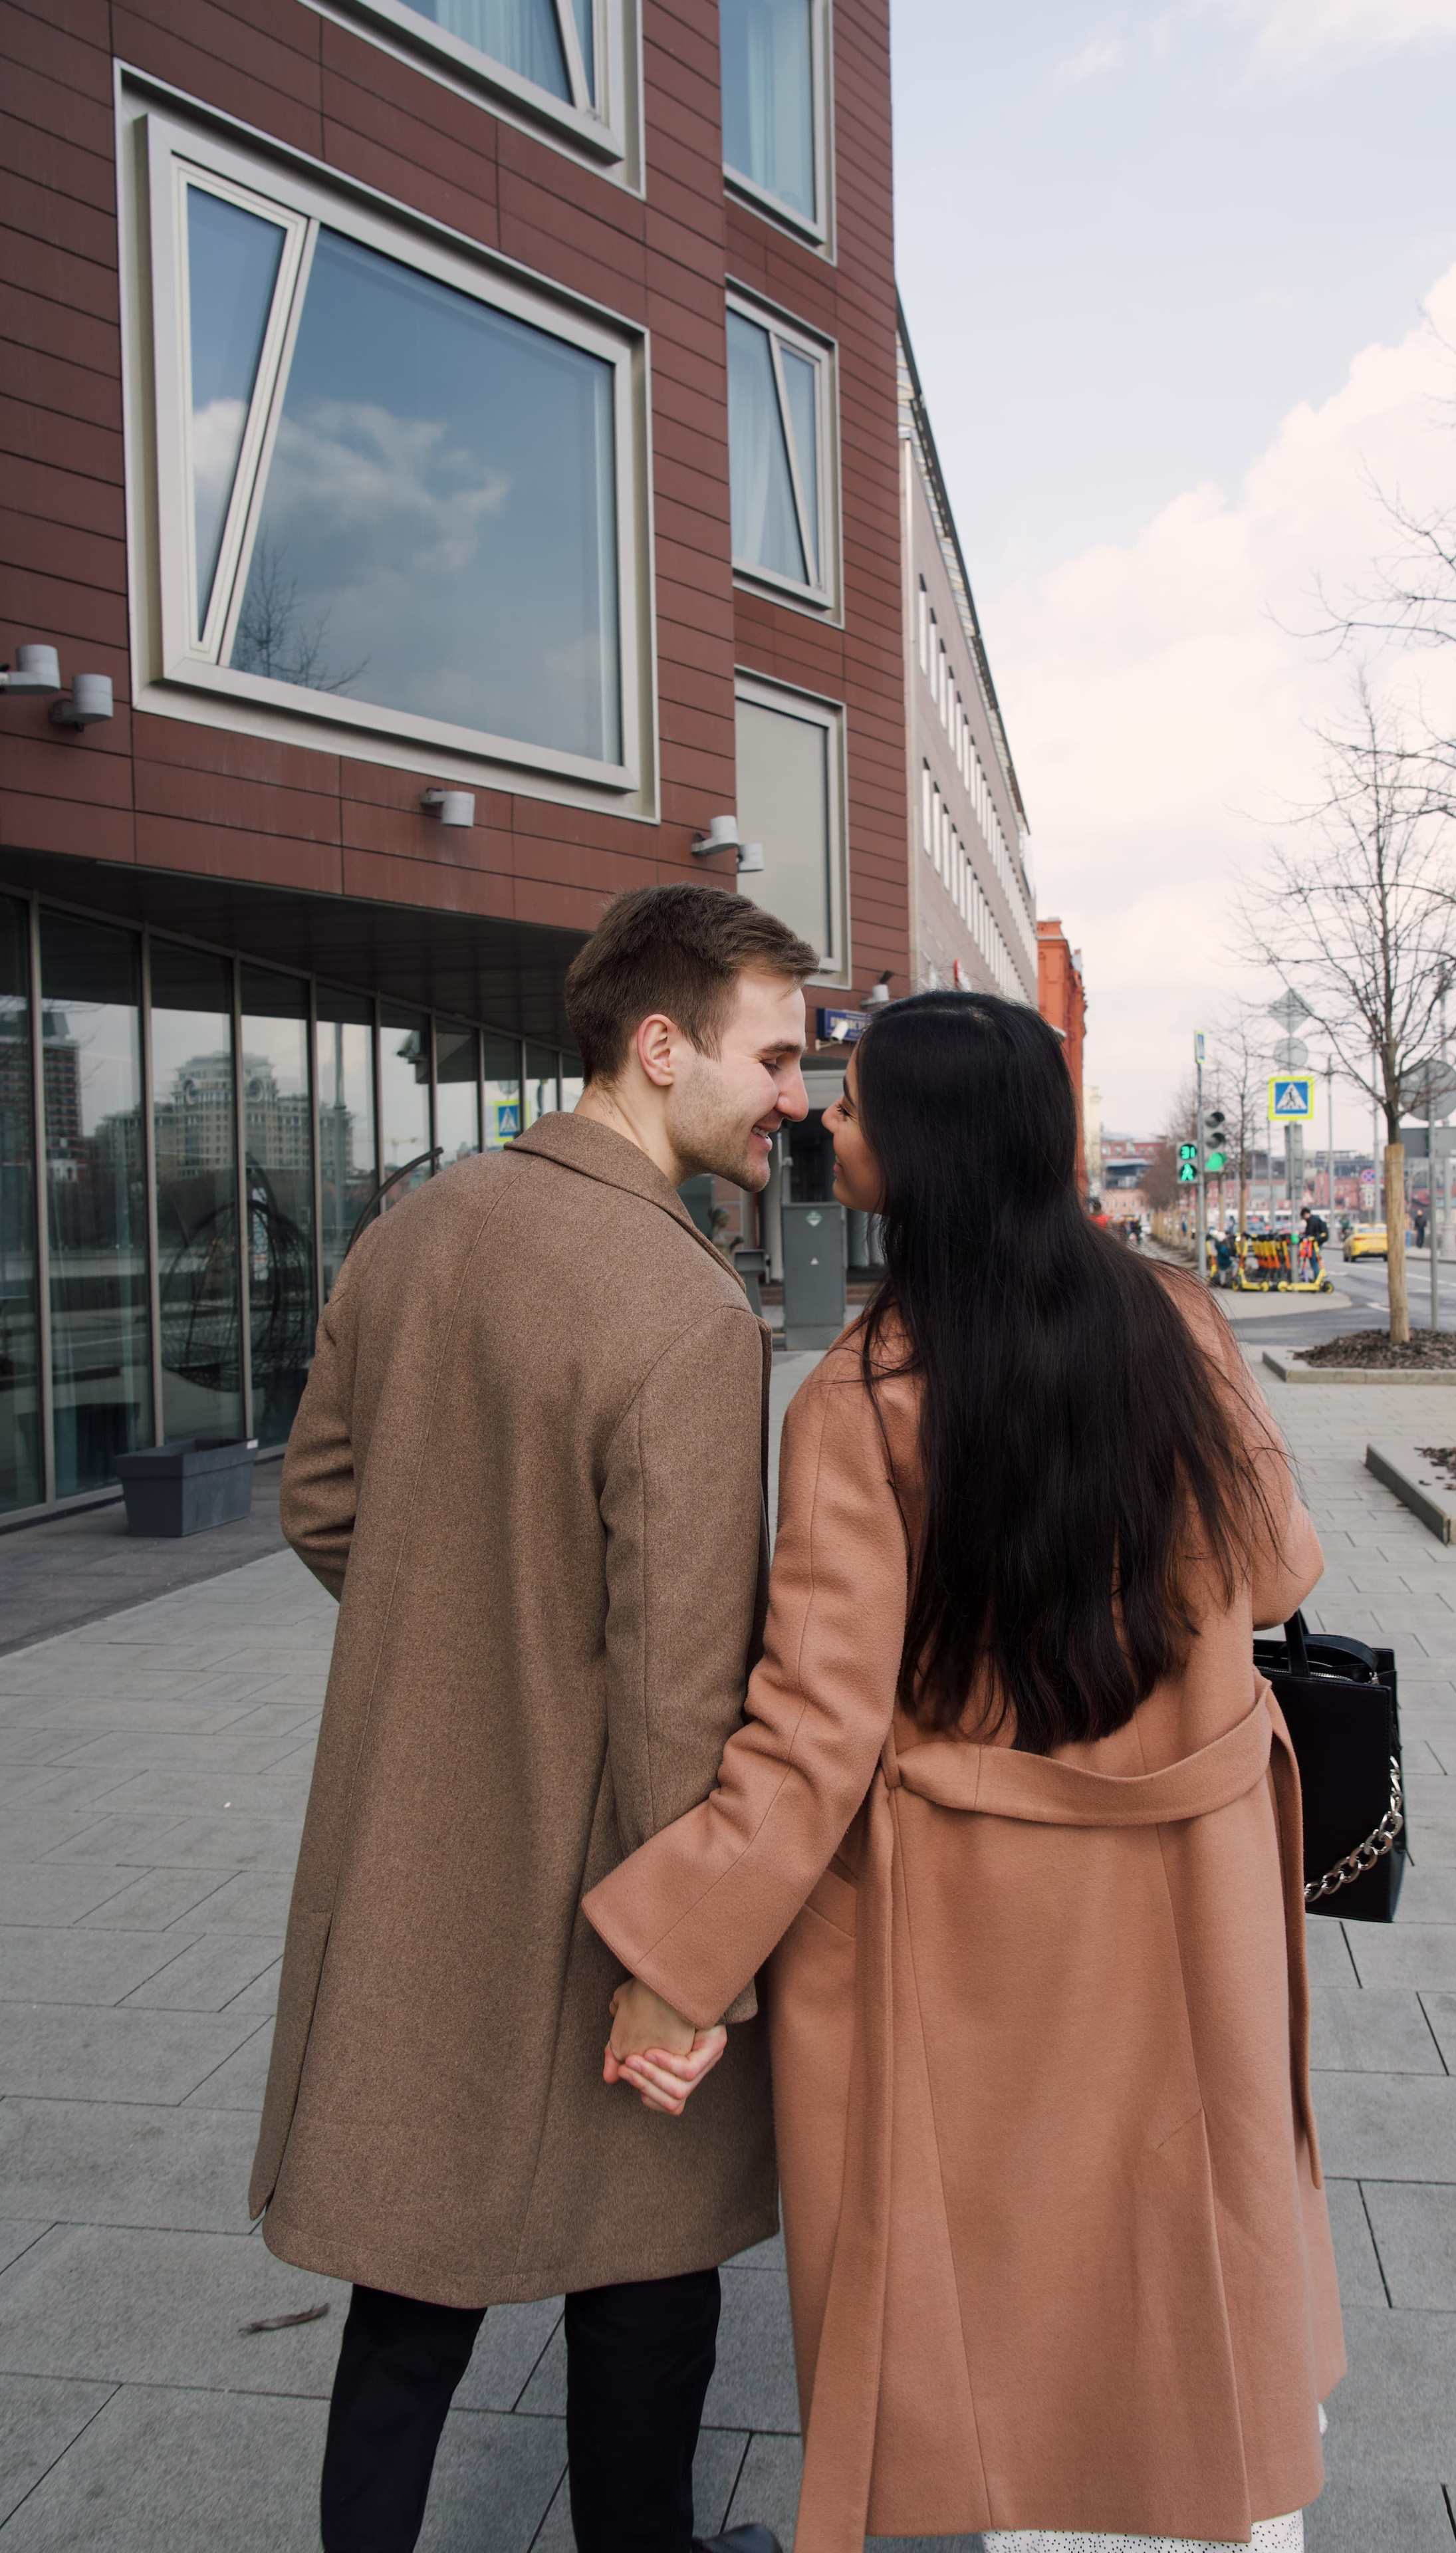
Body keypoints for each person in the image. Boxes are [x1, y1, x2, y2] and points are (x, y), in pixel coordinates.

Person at [587, 991, 1343, 2553]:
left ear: (928, 1145)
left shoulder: (858, 1400)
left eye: (855, 1106)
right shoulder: (1175, 1317)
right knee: (1185, 2258)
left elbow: (810, 1729)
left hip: (982, 1936)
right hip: (1187, 1897)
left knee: (1018, 2314)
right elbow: (1277, 1573)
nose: (822, 1122)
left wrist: (672, 1963)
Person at [253, 884, 819, 2553]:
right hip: (601, 1885)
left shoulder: (414, 1228)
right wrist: (682, 1958)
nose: (793, 1096)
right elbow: (672, 1681)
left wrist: (461, 1649)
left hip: (418, 1851)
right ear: (661, 1048)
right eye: (773, 1056)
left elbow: (318, 1502)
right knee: (641, 2279)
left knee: (409, 2279)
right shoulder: (687, 1309)